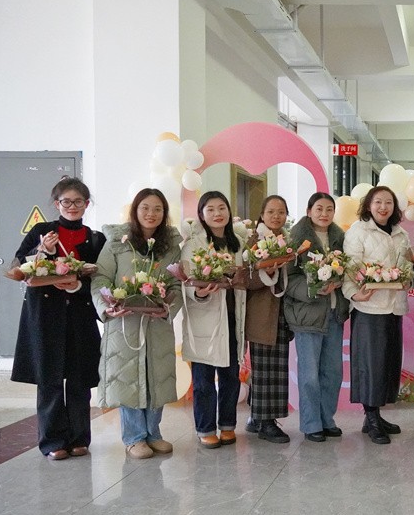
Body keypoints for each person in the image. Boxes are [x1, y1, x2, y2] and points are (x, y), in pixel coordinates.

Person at [11, 176, 105, 460]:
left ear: (86, 204)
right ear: (57, 204)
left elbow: (102, 279)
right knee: (49, 378)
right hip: (45, 316)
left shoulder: (95, 238)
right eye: (66, 202)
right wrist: (43, 252)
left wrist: (77, 285)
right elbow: (19, 264)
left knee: (79, 379)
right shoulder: (42, 231)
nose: (72, 207)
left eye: (78, 202)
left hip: (80, 315)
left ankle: (79, 438)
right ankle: (52, 441)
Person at [92, 188, 182, 459]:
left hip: (156, 322)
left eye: (157, 209)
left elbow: (176, 283)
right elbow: (100, 278)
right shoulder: (116, 242)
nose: (151, 213)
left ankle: (153, 433)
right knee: (127, 377)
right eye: (145, 207)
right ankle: (133, 437)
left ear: (164, 213)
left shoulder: (171, 246)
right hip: (124, 322)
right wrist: (108, 306)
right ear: (135, 210)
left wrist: (168, 308)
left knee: (157, 375)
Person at [342, 186, 414, 444]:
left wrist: (407, 279)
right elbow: (349, 267)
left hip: (394, 307)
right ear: (368, 205)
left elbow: (407, 266)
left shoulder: (401, 233)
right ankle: (371, 417)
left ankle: (375, 415)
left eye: (388, 203)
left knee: (387, 364)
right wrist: (354, 294)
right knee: (370, 365)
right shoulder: (358, 231)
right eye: (378, 202)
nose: (383, 207)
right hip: (369, 308)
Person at [180, 191, 248, 449]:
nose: (217, 213)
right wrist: (197, 293)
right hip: (204, 318)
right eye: (211, 209)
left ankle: (228, 425)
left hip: (232, 317)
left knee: (231, 376)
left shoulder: (237, 244)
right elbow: (185, 280)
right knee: (203, 379)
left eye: (222, 208)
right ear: (201, 214)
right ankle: (205, 427)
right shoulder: (193, 244)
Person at [284, 192, 349, 443]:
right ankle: (311, 424)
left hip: (334, 313)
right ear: (309, 211)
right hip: (307, 314)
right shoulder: (296, 239)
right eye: (319, 208)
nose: (324, 214)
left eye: (329, 209)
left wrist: (341, 280)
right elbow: (288, 279)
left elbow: (349, 269)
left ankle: (327, 419)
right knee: (309, 374)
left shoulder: (340, 238)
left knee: (333, 372)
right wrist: (313, 289)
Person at [244, 195, 295, 444]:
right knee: (265, 369)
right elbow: (244, 279)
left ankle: (256, 418)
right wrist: (266, 271)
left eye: (281, 212)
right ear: (262, 215)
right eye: (271, 212)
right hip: (262, 313)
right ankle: (266, 423)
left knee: (276, 368)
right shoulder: (253, 241)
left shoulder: (287, 241)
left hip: (282, 312)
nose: (276, 216)